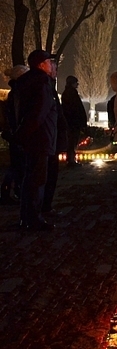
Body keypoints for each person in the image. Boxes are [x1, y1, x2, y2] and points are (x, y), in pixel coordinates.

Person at [12, 50, 58, 230]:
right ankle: (33, 219)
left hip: (31, 140)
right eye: (49, 61)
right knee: (37, 180)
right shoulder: (42, 83)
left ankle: (27, 217)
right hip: (41, 139)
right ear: (41, 64)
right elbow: (38, 114)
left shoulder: (26, 82)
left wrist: (20, 136)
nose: (51, 65)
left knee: (29, 179)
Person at [1, 65, 30, 205]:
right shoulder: (18, 93)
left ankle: (10, 191)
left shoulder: (15, 92)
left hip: (14, 133)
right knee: (18, 165)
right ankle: (11, 192)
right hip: (17, 134)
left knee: (16, 165)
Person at [42, 58, 68, 214]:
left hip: (50, 137)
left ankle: (43, 206)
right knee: (44, 176)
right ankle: (41, 208)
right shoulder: (44, 87)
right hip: (46, 138)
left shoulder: (47, 86)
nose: (56, 72)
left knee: (48, 174)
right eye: (54, 68)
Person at [61, 75, 87, 167]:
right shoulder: (72, 93)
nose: (78, 84)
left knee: (71, 142)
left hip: (70, 121)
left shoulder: (66, 93)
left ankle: (71, 159)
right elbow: (77, 108)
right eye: (76, 82)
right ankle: (71, 160)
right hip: (73, 122)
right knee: (72, 142)